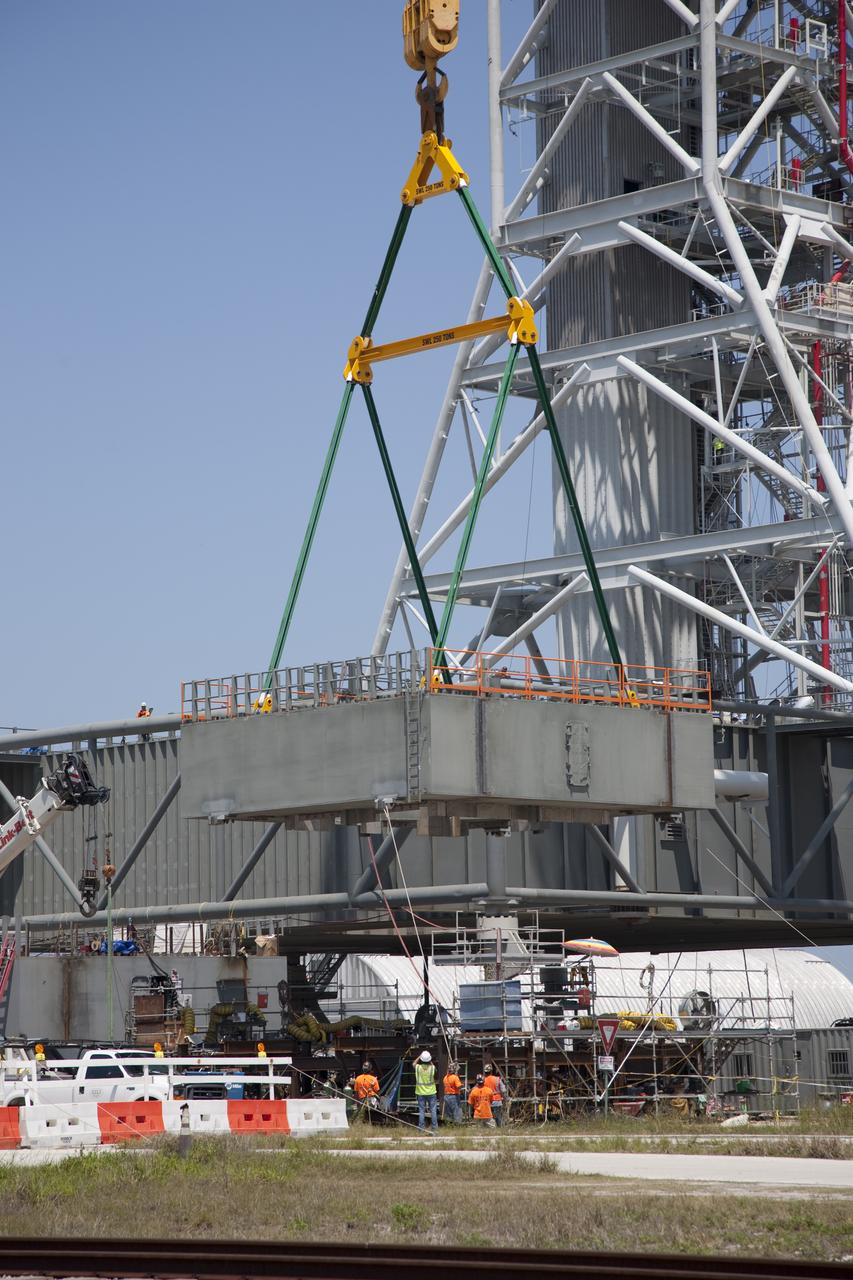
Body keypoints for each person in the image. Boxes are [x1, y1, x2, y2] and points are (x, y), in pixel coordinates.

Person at [414, 1049, 438, 1133]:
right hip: (431, 1092)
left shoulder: (418, 1068)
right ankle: (434, 1129)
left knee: (421, 1111)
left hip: (420, 1093)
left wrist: (419, 1057)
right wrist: (429, 1060)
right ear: (429, 1059)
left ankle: (421, 1129)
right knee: (433, 1111)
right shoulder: (432, 1068)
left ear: (421, 1059)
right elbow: (433, 1066)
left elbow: (414, 1063)